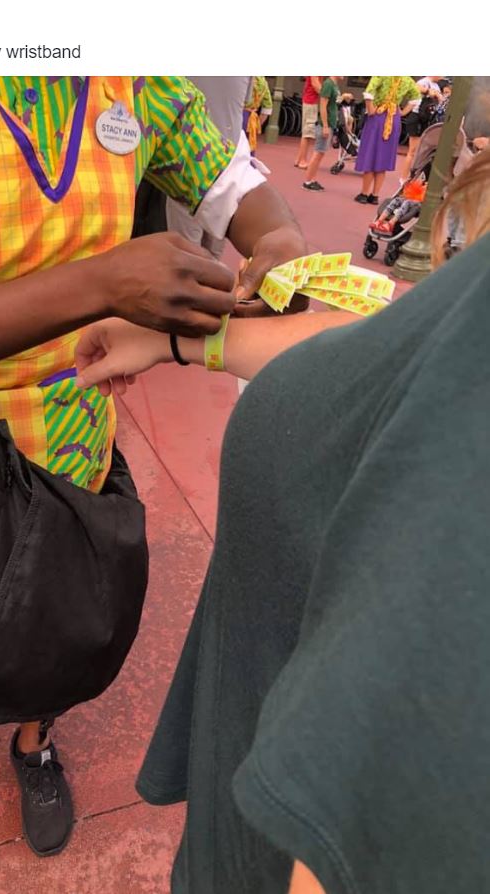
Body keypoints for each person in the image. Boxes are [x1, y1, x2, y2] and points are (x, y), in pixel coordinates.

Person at [0, 75, 306, 854]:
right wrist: (99, 283)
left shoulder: (133, 76)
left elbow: (235, 187)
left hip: (73, 402)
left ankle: (33, 740)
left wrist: (275, 240)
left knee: (59, 599)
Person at [75, 149, 490, 894]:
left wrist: (93, 284)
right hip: (246, 769)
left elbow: (379, 812)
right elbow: (396, 348)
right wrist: (186, 342)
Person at [166, 77, 253, 258]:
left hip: (188, 159)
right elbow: (246, 101)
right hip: (226, 163)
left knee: (186, 248)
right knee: (214, 248)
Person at [354, 75, 420, 205]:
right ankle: (375, 195)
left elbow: (368, 93)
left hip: (378, 116)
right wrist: (402, 112)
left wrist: (371, 109)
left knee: (371, 155)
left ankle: (364, 193)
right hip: (393, 117)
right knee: (383, 157)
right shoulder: (407, 79)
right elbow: (416, 98)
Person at [302, 76, 342, 191]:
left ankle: (312, 179)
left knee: (320, 153)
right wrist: (325, 125)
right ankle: (308, 181)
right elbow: (323, 105)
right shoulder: (329, 84)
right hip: (325, 124)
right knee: (318, 152)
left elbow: (333, 102)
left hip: (330, 123)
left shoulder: (333, 85)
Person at [400, 76, 443, 180]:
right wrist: (428, 91)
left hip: (428, 119)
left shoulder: (436, 86)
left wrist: (438, 95)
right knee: (413, 151)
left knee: (423, 151)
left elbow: (440, 101)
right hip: (417, 117)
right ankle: (404, 178)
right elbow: (416, 89)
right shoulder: (424, 82)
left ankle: (415, 177)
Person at [294, 76, 323, 169]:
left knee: (307, 131)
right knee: (308, 132)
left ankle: (299, 158)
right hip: (311, 101)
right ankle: (302, 160)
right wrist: (327, 95)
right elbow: (315, 84)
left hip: (311, 101)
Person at [243, 76, 274, 155]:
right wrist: (258, 123)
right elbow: (267, 107)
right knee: (248, 146)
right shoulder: (263, 81)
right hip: (252, 118)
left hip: (239, 114)